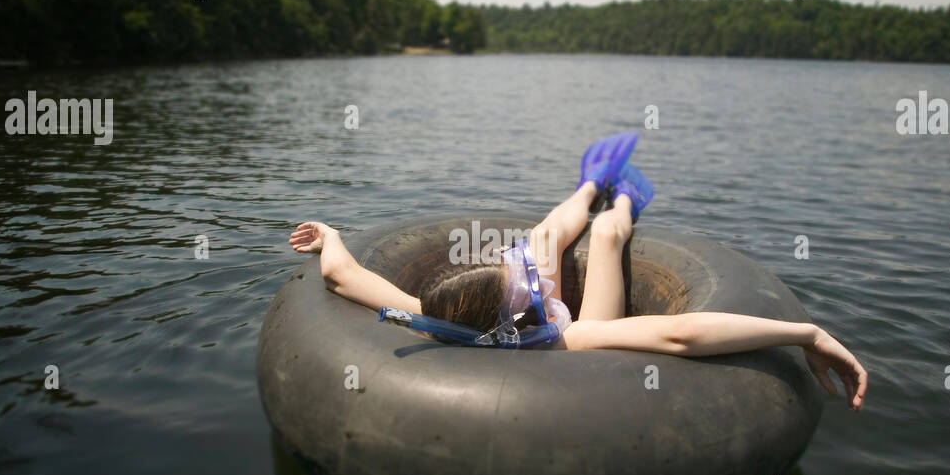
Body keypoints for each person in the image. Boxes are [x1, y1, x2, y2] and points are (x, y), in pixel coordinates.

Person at [290, 132, 868, 410]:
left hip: (504, 313)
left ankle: (590, 181)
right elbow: (679, 333)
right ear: (523, 311)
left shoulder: (431, 317)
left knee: (543, 237)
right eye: (529, 287)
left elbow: (343, 277)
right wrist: (806, 333)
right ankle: (622, 199)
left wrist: (329, 237)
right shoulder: (570, 335)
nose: (537, 280)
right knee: (608, 239)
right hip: (570, 333)